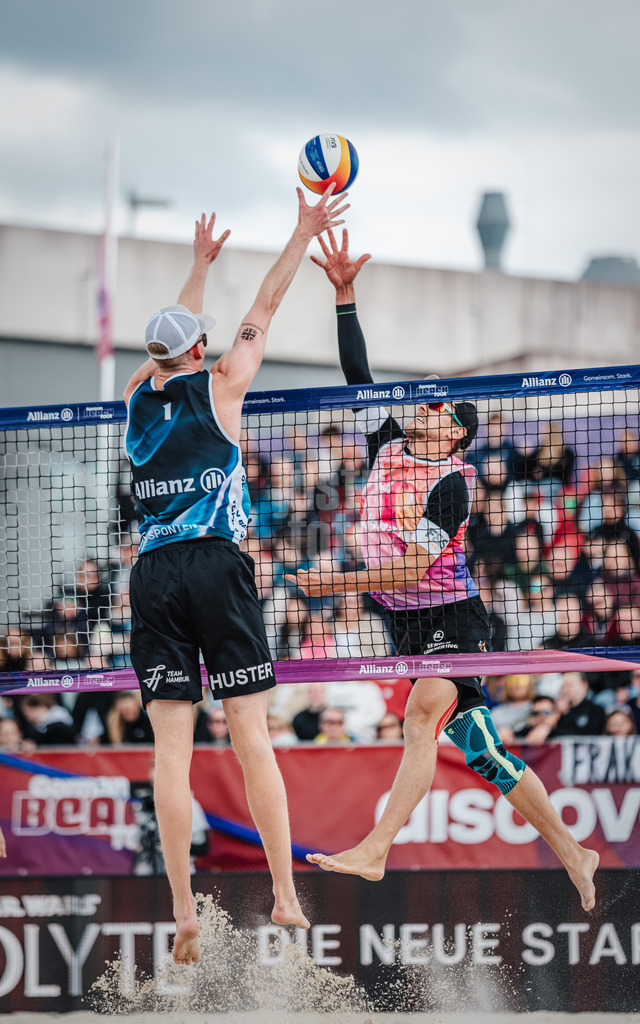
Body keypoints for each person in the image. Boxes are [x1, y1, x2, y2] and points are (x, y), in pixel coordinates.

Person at [288, 228, 599, 912]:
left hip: (451, 614)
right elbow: (357, 375)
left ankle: (376, 848)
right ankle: (575, 853)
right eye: (425, 404)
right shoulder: (387, 446)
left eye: (440, 409)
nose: (425, 407)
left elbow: (409, 571)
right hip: (405, 621)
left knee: (423, 711)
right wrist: (345, 298)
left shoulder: (453, 484)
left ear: (456, 431)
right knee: (484, 752)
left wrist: (327, 585)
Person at [123, 188, 348, 964]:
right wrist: (301, 229)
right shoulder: (223, 383)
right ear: (197, 352)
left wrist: (194, 270)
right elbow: (268, 301)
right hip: (217, 566)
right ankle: (285, 896)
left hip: (150, 575)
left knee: (169, 757)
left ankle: (184, 910)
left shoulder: (132, 405)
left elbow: (164, 349)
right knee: (251, 735)